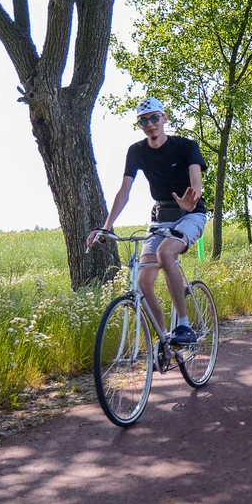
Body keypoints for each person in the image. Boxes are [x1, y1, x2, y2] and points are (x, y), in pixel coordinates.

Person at [86, 97, 207, 345]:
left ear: (164, 118)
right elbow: (124, 192)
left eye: (154, 118)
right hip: (160, 218)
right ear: (139, 125)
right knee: (142, 282)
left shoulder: (186, 146)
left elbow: (196, 185)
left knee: (166, 254)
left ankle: (184, 327)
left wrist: (190, 201)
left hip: (190, 214)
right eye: (143, 121)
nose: (150, 124)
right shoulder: (137, 151)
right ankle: (164, 339)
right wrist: (106, 227)